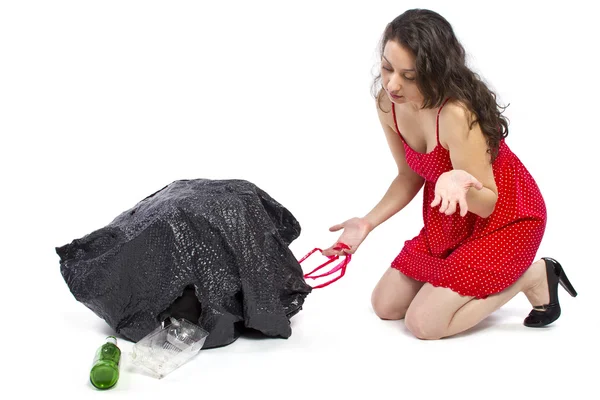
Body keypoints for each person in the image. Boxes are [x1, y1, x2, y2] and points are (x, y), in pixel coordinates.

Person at [321, 8, 577, 340]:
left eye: (409, 76)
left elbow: (486, 203)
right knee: (385, 305)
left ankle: (533, 275)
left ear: (435, 72)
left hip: (504, 219)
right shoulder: (388, 104)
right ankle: (455, 279)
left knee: (424, 325)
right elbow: (408, 176)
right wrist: (367, 223)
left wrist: (456, 179)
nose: (393, 84)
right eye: (387, 68)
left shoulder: (455, 113)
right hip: (451, 219)